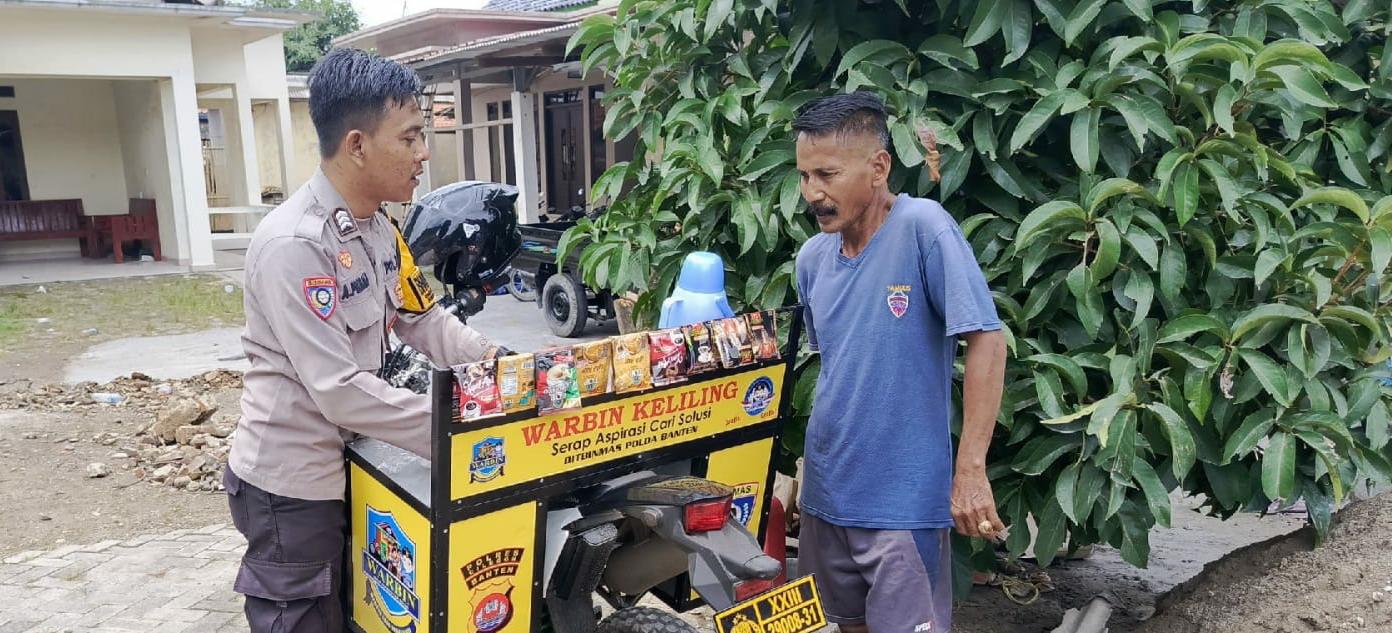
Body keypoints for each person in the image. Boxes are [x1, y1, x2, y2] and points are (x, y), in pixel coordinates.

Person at [224, 48, 504, 633]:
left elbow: (422, 318)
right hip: (293, 485)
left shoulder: (378, 225)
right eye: (410, 137)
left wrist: (498, 363)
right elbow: (339, 390)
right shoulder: (296, 246)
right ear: (356, 145)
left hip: (355, 455)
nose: (423, 152)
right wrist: (459, 423)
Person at [792, 91, 1007, 633]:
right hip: (827, 499)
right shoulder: (811, 259)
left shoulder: (923, 228)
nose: (812, 192)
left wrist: (970, 470)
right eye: (804, 176)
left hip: (902, 505)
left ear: (879, 167)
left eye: (827, 175)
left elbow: (987, 339)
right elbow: (840, 371)